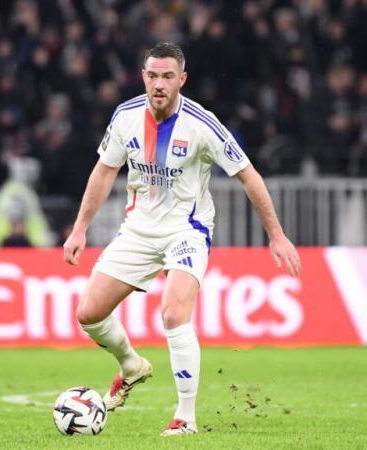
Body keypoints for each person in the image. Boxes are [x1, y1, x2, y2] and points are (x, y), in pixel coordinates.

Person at [63, 43, 301, 436]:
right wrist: (79, 227)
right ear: (143, 77)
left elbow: (248, 175)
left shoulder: (201, 124)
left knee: (173, 314)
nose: (159, 84)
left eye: (167, 76)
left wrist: (276, 235)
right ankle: (131, 365)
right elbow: (104, 172)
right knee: (88, 314)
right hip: (138, 229)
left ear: (181, 80)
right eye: (152, 75)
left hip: (186, 230)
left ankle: (185, 417)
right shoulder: (125, 117)